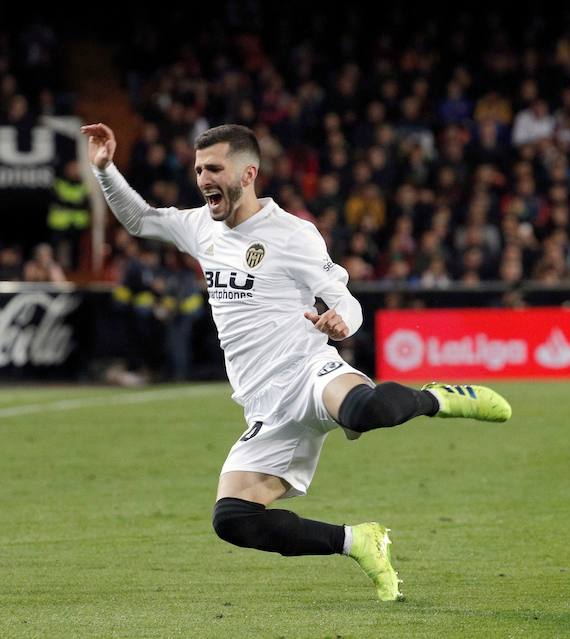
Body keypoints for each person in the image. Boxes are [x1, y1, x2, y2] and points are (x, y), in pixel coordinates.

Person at [82, 122, 512, 601]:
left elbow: (345, 299)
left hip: (308, 371)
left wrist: (341, 323)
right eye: (199, 168)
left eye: (214, 168)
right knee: (234, 520)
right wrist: (104, 169)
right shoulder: (200, 227)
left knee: (366, 411)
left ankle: (435, 398)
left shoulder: (291, 234)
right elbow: (141, 220)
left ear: (248, 174)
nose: (203, 178)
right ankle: (358, 541)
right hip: (264, 404)